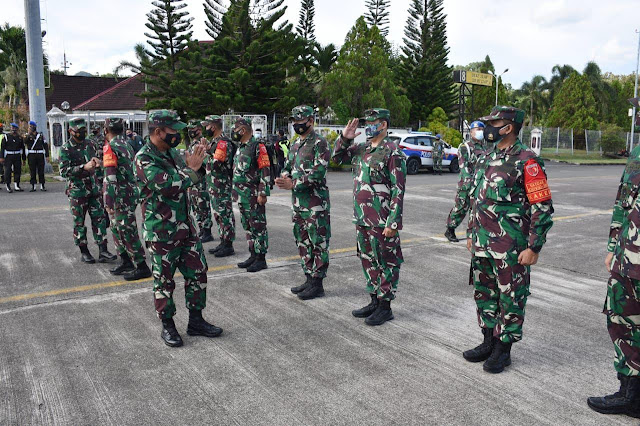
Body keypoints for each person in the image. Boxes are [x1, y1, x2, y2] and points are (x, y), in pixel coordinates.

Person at [463, 106, 553, 373]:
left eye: (495, 122)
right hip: (482, 242)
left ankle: (504, 350)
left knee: (511, 298)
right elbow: (476, 198)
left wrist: (534, 246)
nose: (488, 127)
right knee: (485, 293)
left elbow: (542, 206)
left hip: (510, 246)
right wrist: (471, 231)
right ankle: (488, 341)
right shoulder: (487, 157)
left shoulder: (527, 160)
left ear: (509, 127)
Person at [136, 110, 222, 347]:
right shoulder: (144, 158)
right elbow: (170, 185)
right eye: (173, 130)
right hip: (161, 231)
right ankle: (168, 326)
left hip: (185, 227)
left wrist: (200, 163)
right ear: (158, 132)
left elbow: (192, 175)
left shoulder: (172, 153)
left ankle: (196, 321)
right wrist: (192, 170)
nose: (177, 134)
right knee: (164, 281)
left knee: (198, 273)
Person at [332, 109, 406, 326]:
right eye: (367, 122)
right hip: (362, 218)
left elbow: (398, 189)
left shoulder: (393, 152)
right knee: (368, 260)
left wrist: (393, 222)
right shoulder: (361, 149)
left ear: (383, 125)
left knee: (387, 261)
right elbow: (336, 159)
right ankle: (374, 300)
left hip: (382, 219)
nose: (368, 125)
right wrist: (345, 138)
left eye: (373, 122)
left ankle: (385, 307)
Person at [587, 145, 640, 418]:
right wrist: (613, 246)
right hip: (629, 256)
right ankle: (630, 394)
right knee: (622, 321)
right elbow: (624, 200)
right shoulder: (639, 152)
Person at [275, 105, 331, 300]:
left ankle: (318, 283)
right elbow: (287, 166)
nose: (298, 124)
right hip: (298, 204)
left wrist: (293, 183)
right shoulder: (295, 144)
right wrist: (283, 176)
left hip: (315, 204)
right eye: (295, 121)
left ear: (311, 121)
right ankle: (308, 278)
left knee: (318, 242)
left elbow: (318, 172)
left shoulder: (319, 143)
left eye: (301, 121)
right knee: (302, 240)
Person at [59, 118, 117, 263]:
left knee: (100, 219)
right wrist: (82, 168)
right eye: (79, 131)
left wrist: (98, 164)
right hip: (77, 191)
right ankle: (84, 251)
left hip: (93, 189)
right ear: (70, 131)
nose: (82, 133)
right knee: (79, 222)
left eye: (84, 130)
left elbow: (97, 159)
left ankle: (103, 250)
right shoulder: (66, 148)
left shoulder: (90, 144)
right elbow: (63, 171)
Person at [102, 117, 152, 280]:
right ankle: (126, 260)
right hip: (129, 192)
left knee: (126, 230)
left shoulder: (111, 147)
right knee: (117, 228)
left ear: (106, 130)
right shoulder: (126, 144)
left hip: (120, 195)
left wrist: (108, 201)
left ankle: (141, 266)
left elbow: (111, 177)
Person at [232, 117, 271, 273]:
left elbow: (265, 169)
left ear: (243, 130)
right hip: (241, 195)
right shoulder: (241, 147)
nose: (233, 133)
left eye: (235, 130)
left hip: (253, 195)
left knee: (258, 226)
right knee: (247, 226)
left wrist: (263, 192)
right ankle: (253, 254)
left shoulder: (257, 146)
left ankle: (261, 258)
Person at [444, 121, 486, 242]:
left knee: (478, 210)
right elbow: (464, 167)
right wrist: (470, 184)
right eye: (478, 129)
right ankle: (450, 229)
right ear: (471, 131)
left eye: (482, 129)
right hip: (467, 184)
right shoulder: (465, 147)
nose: (480, 132)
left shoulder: (484, 148)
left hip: (480, 184)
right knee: (461, 208)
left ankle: (474, 234)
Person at [202, 115, 236, 258]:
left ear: (214, 127)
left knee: (224, 214)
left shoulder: (222, 143)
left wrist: (203, 154)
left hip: (221, 185)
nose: (206, 129)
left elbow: (215, 164)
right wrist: (207, 150)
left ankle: (228, 244)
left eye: (207, 126)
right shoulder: (215, 143)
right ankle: (223, 241)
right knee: (218, 214)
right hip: (214, 185)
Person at [186, 120, 214, 243]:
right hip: (193, 182)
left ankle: (207, 231)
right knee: (195, 206)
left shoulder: (204, 143)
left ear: (199, 130)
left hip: (201, 181)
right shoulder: (192, 144)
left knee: (203, 207)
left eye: (194, 129)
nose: (191, 131)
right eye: (189, 129)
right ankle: (202, 229)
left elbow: (208, 161)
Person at [24, 120, 49, 192]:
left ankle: (42, 185)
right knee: (32, 170)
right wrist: (28, 135)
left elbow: (45, 145)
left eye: (31, 127)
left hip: (40, 154)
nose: (30, 128)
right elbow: (24, 142)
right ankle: (33, 186)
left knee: (41, 170)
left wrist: (47, 156)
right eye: (30, 127)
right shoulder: (27, 136)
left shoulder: (40, 135)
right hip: (31, 155)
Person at [1, 123, 26, 192]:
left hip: (17, 155)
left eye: (15, 128)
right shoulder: (6, 137)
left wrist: (23, 159)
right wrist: (2, 157)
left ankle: (16, 185)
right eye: (12, 128)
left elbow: (22, 148)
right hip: (8, 156)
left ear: (17, 129)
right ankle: (8, 185)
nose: (13, 130)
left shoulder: (19, 138)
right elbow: (2, 148)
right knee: (7, 171)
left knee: (17, 170)